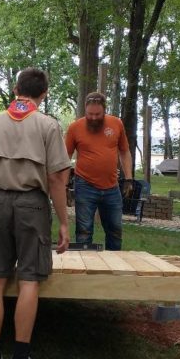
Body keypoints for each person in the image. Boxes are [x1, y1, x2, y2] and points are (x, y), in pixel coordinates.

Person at [0, 68, 71, 359]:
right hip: (32, 205)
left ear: (16, 89)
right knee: (29, 279)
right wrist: (64, 222)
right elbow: (56, 177)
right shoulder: (48, 125)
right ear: (44, 94)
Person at [64, 91, 133, 250]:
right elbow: (65, 157)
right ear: (85, 111)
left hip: (111, 187)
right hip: (85, 185)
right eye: (90, 114)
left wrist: (129, 178)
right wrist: (64, 185)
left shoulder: (116, 124)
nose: (94, 117)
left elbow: (124, 151)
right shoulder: (75, 127)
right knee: (84, 230)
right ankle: (84, 266)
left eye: (98, 114)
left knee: (115, 229)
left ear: (104, 110)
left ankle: (114, 264)